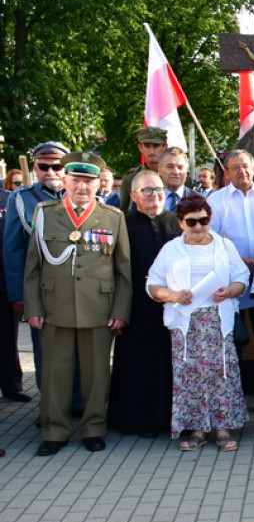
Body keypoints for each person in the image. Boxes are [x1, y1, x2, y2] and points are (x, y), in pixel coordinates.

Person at [24, 152, 131, 456]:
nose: (82, 186)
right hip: (53, 308)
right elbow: (32, 266)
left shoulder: (113, 217)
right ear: (66, 181)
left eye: (89, 180)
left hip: (99, 309)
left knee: (97, 376)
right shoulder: (45, 213)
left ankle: (93, 428)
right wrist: (32, 307)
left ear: (98, 183)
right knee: (55, 375)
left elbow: (123, 271)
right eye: (77, 180)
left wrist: (120, 311)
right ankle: (54, 431)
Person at [147, 195, 250, 452]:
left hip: (218, 319)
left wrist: (229, 291)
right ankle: (197, 430)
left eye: (204, 220)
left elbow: (242, 277)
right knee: (191, 376)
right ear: (181, 222)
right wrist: (172, 295)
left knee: (221, 374)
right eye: (191, 222)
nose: (198, 227)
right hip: (186, 322)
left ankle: (223, 429)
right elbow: (152, 283)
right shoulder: (172, 248)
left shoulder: (224, 245)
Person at [107, 171, 182, 437]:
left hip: (173, 308)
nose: (155, 195)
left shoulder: (178, 222)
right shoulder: (122, 224)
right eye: (147, 190)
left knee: (170, 363)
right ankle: (139, 421)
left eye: (158, 189)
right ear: (134, 195)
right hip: (136, 307)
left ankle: (171, 418)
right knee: (138, 364)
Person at [206, 149, 254, 395]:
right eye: (234, 167)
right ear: (227, 172)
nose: (241, 171)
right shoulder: (216, 200)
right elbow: (211, 239)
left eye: (245, 165)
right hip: (232, 278)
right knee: (234, 336)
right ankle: (233, 394)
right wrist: (240, 261)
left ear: (253, 167)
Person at [5, 141, 70, 393]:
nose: (51, 172)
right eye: (44, 166)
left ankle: (76, 404)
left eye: (57, 166)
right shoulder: (21, 199)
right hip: (41, 290)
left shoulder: (81, 195)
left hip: (77, 288)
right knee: (45, 351)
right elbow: (13, 250)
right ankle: (49, 406)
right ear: (35, 167)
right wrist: (18, 294)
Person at [0, 175, 27, 403]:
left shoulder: (7, 199)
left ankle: (11, 385)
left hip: (2, 281)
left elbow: (11, 244)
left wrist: (15, 287)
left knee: (7, 338)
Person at [117, 126, 168, 211]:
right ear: (140, 147)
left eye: (156, 146)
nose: (151, 151)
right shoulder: (131, 177)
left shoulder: (172, 176)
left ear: (165, 147)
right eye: (147, 146)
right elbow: (124, 212)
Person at [158, 147, 194, 213]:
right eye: (170, 166)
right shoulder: (149, 199)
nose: (176, 172)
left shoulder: (200, 200)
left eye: (180, 167)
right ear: (159, 170)